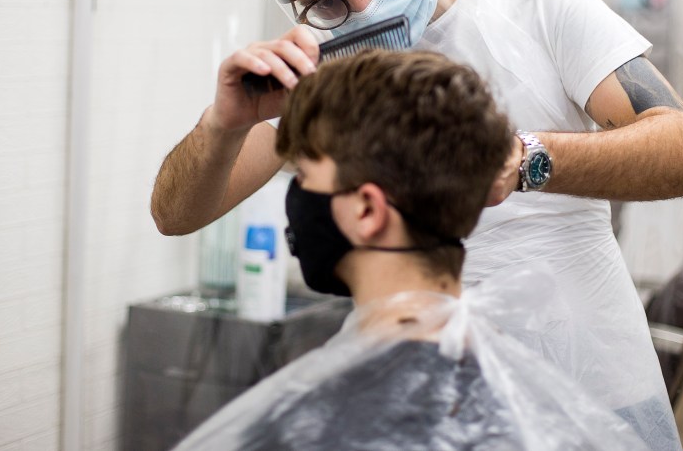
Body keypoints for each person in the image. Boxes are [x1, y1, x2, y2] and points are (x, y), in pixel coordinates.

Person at [152, 0, 683, 447]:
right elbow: (176, 213)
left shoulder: (537, 3)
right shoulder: (333, 67)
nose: (363, 7)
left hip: (593, 387)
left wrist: (526, 159)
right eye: (328, 2)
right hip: (428, 402)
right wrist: (225, 122)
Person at [173, 50, 646, 450]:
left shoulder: (313, 427)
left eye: (306, 175)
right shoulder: (541, 409)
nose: (298, 197)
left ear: (366, 211)